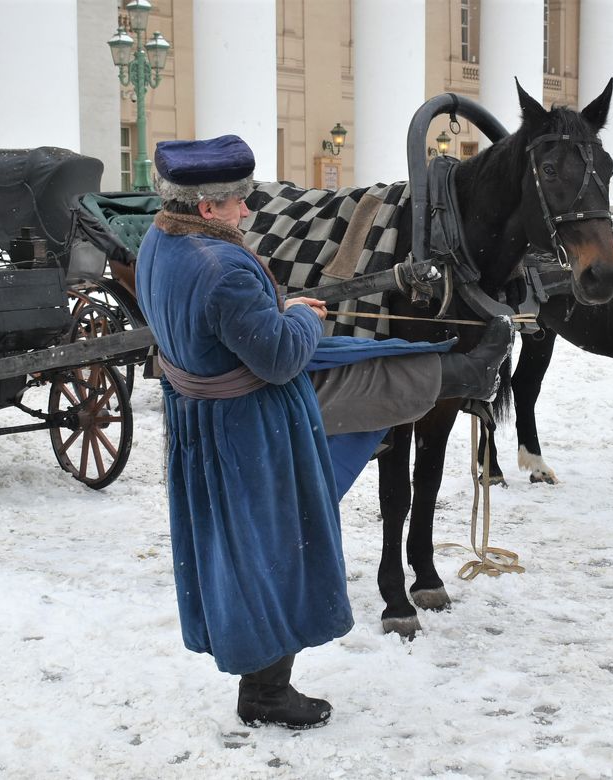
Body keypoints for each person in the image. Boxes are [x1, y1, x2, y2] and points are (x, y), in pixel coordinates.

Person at [135, 134, 512, 730]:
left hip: (203, 421)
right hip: (247, 427)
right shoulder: (222, 266)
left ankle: (454, 370)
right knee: (275, 549)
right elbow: (281, 359)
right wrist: (302, 319)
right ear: (206, 208)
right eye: (236, 202)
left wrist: (280, 317)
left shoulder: (160, 241)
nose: (246, 210)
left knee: (244, 549)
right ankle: (265, 693)